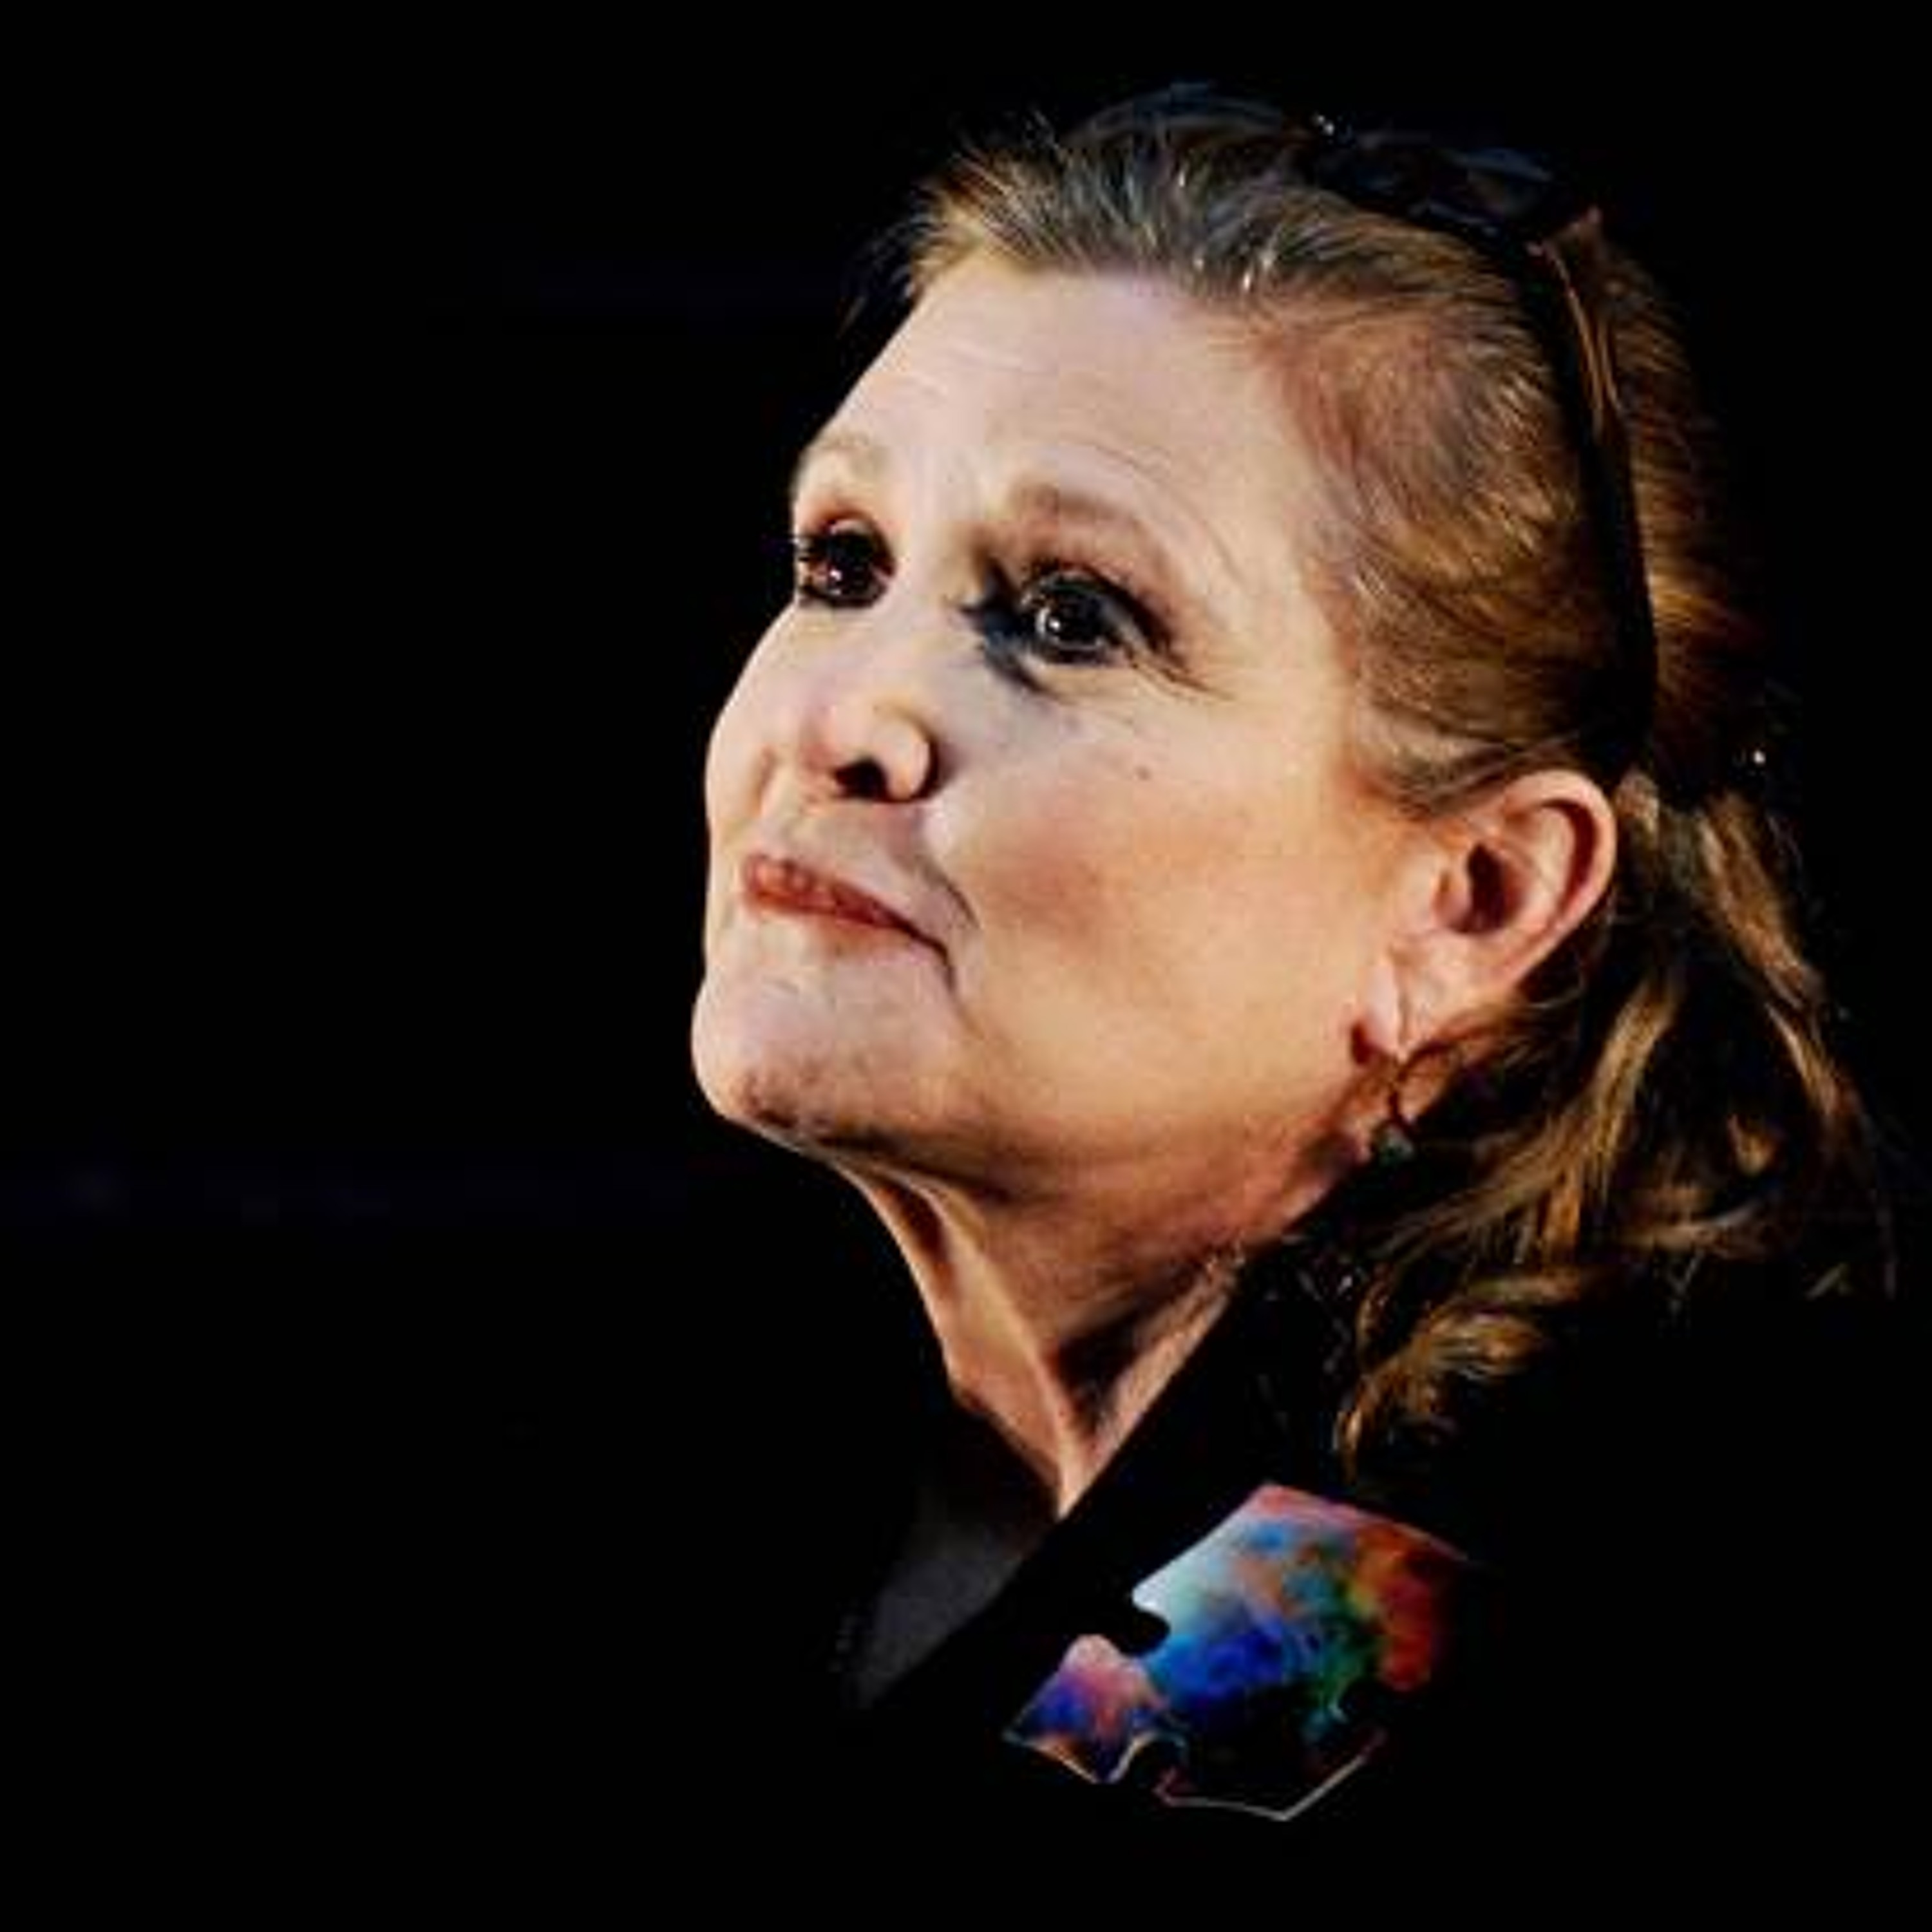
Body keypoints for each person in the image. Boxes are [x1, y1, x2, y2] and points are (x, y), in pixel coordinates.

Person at [686, 85, 1913, 1904]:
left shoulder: (1471, 1573)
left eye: (1070, 618)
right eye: (842, 565)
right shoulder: (708, 1437)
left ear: (1476, 903)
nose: (837, 717)